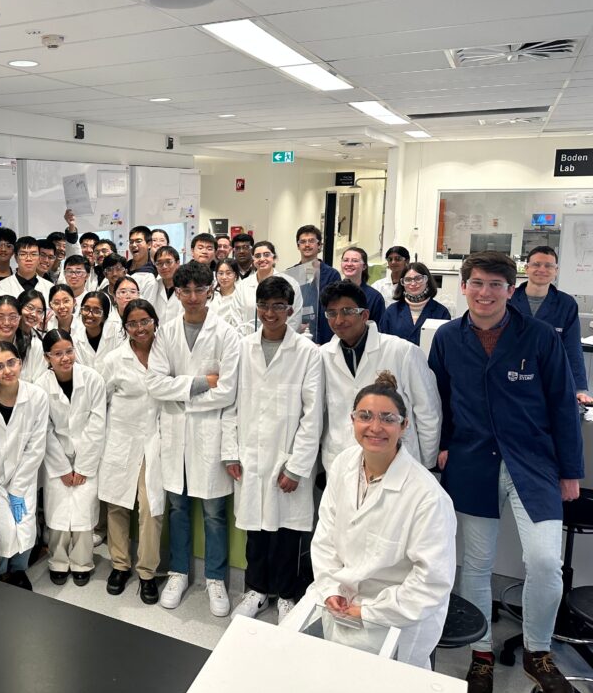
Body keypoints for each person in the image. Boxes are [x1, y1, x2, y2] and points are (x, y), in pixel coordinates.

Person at [429, 251, 583, 693]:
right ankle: (481, 656)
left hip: (533, 464)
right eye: (477, 283)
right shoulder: (448, 339)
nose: (485, 293)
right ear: (463, 287)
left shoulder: (538, 336)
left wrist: (570, 469)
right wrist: (441, 444)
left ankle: (538, 652)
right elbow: (437, 397)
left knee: (544, 561)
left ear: (510, 291)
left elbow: (562, 404)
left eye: (496, 285)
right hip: (472, 461)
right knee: (476, 566)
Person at [287, 373, 456, 670]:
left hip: (393, 618)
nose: (375, 427)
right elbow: (325, 536)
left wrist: (368, 611)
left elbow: (431, 582)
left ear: (404, 426)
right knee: (283, 659)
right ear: (352, 420)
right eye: (365, 416)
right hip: (336, 597)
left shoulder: (428, 497)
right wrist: (329, 589)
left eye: (388, 419)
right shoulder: (343, 465)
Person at [223, 277, 323, 624]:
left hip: (286, 457)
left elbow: (313, 415)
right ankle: (256, 589)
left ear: (290, 310)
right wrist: (230, 452)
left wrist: (297, 466)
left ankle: (287, 594)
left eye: (278, 306)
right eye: (264, 306)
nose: (270, 313)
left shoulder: (308, 353)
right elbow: (230, 404)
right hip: (250, 454)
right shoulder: (243, 347)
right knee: (256, 531)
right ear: (257, 308)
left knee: (286, 533)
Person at [147, 261, 240, 617]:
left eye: (199, 290)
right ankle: (178, 572)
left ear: (210, 291)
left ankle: (215, 578)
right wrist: (202, 383)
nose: (191, 297)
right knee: (177, 508)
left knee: (215, 513)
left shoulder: (226, 334)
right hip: (174, 434)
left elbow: (228, 391)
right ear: (178, 292)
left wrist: (179, 389)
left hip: (208, 435)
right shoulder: (166, 332)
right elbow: (155, 384)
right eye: (184, 291)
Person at [319, 281, 440, 473]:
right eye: (332, 313)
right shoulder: (323, 356)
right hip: (341, 461)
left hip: (397, 460)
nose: (339, 320)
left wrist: (425, 467)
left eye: (347, 311)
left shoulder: (402, 351)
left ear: (364, 315)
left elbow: (428, 412)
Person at [98, 299, 164, 604]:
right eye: (132, 323)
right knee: (117, 506)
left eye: (144, 321)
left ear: (154, 321)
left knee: (151, 509)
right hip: (121, 439)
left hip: (156, 442)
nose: (140, 328)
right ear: (125, 328)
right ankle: (120, 566)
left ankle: (148, 573)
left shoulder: (167, 354)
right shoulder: (114, 359)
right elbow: (100, 402)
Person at [0, 342, 49, 589]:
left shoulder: (36, 396)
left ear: (20, 362)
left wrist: (18, 487)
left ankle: (18, 571)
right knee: (4, 528)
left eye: (11, 363)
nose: (7, 370)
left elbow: (36, 446)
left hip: (23, 475)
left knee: (25, 528)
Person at [38, 330, 107, 586]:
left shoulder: (93, 380)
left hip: (87, 457)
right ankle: (57, 560)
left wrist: (83, 466)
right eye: (58, 354)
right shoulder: (40, 386)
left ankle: (82, 562)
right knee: (57, 513)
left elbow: (97, 425)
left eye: (68, 351)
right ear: (47, 357)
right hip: (56, 460)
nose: (65, 358)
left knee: (84, 513)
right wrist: (62, 468)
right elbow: (44, 430)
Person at [507, 246, 591, 405]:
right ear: (527, 268)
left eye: (549, 266)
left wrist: (578, 389)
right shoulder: (507, 298)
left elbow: (572, 347)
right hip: (510, 375)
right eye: (536, 265)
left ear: (556, 271)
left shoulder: (566, 304)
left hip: (550, 377)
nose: (542, 269)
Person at [235, 241, 303, 332]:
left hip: (282, 341)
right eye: (257, 256)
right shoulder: (243, 286)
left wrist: (283, 340)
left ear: (274, 258)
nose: (262, 259)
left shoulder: (291, 283)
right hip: (249, 340)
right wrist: (246, 340)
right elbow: (236, 315)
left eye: (266, 255)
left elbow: (295, 318)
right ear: (253, 260)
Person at [290, 225, 341, 344]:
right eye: (302, 242)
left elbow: (335, 307)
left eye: (312, 241)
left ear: (319, 245)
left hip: (325, 336)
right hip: (297, 335)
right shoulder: (291, 275)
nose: (307, 245)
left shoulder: (332, 275)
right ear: (298, 246)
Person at [378, 262, 450, 345]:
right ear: (402, 283)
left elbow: (445, 345)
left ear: (427, 281)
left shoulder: (441, 313)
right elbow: (383, 343)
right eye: (408, 280)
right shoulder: (392, 311)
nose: (413, 283)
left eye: (418, 278)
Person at [0, 295, 46, 383]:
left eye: (12, 317)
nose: (6, 323)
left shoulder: (35, 347)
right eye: (0, 317)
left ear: (19, 318)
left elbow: (40, 385)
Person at [72, 290, 122, 371]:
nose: (89, 314)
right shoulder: (76, 339)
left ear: (105, 316)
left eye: (96, 311)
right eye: (86, 309)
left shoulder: (117, 333)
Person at [339, 247, 385, 324]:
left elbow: (379, 328)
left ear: (364, 266)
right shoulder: (332, 293)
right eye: (345, 260)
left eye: (355, 261)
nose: (349, 264)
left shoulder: (375, 297)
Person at [208, 257, 245, 330]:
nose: (224, 277)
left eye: (228, 273)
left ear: (236, 275)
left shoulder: (240, 297)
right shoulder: (210, 295)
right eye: (220, 273)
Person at [151, 246, 183, 324]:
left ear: (178, 263)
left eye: (168, 262)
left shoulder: (186, 287)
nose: (164, 267)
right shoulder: (153, 286)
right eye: (159, 263)